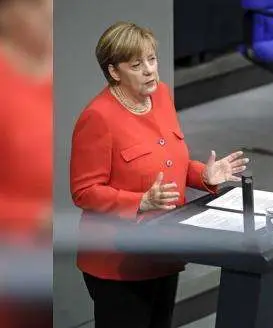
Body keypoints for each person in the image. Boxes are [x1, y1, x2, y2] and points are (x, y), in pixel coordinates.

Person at [70, 21, 248, 328]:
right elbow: (84, 191)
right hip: (117, 261)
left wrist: (205, 175)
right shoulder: (98, 117)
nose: (150, 70)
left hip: (163, 248)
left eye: (152, 60)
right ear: (114, 72)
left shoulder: (162, 95)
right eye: (137, 65)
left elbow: (170, 162)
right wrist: (140, 202)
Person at [0, 0, 52, 326]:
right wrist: (35, 217)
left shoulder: (60, 74)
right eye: (34, 4)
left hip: (53, 268)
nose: (48, 11)